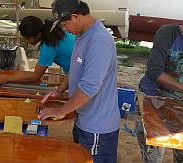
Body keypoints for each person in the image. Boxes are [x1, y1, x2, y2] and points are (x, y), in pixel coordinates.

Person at [37, 0, 120, 162]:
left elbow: (89, 87)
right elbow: (76, 69)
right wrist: (59, 90)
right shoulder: (82, 35)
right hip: (83, 118)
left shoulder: (98, 41)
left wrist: (61, 111)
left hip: (98, 128)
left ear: (75, 17)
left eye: (64, 24)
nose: (64, 29)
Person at [137, 12, 183, 163]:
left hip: (178, 99)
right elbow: (154, 71)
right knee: (154, 153)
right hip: (152, 96)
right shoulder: (167, 33)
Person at [0, 16, 75, 84]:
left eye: (28, 39)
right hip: (74, 70)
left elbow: (35, 77)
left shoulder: (48, 45)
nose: (27, 42)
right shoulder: (54, 33)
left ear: (38, 35)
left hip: (79, 72)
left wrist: (8, 78)